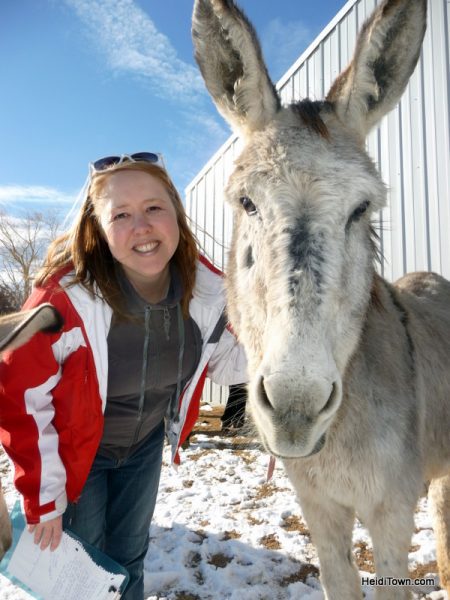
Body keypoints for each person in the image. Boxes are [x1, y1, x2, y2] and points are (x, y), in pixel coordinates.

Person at [0, 152, 247, 600]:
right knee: (80, 567)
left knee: (130, 557)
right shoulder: (64, 300)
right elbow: (21, 400)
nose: (142, 227)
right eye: (121, 215)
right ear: (98, 226)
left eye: (154, 207)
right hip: (78, 458)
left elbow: (229, 363)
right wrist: (43, 499)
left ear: (177, 213)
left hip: (143, 447)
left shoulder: (207, 292)